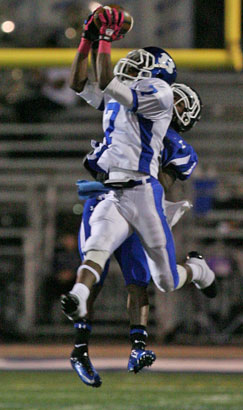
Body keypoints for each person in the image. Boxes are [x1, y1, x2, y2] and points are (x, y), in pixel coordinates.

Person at [61, 8, 216, 386]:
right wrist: (88, 38)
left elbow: (108, 83)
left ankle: (197, 271)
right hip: (109, 192)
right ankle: (79, 307)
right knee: (96, 252)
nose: (136, 66)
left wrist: (104, 39)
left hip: (144, 196)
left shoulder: (159, 96)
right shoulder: (127, 102)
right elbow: (83, 83)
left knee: (153, 280)